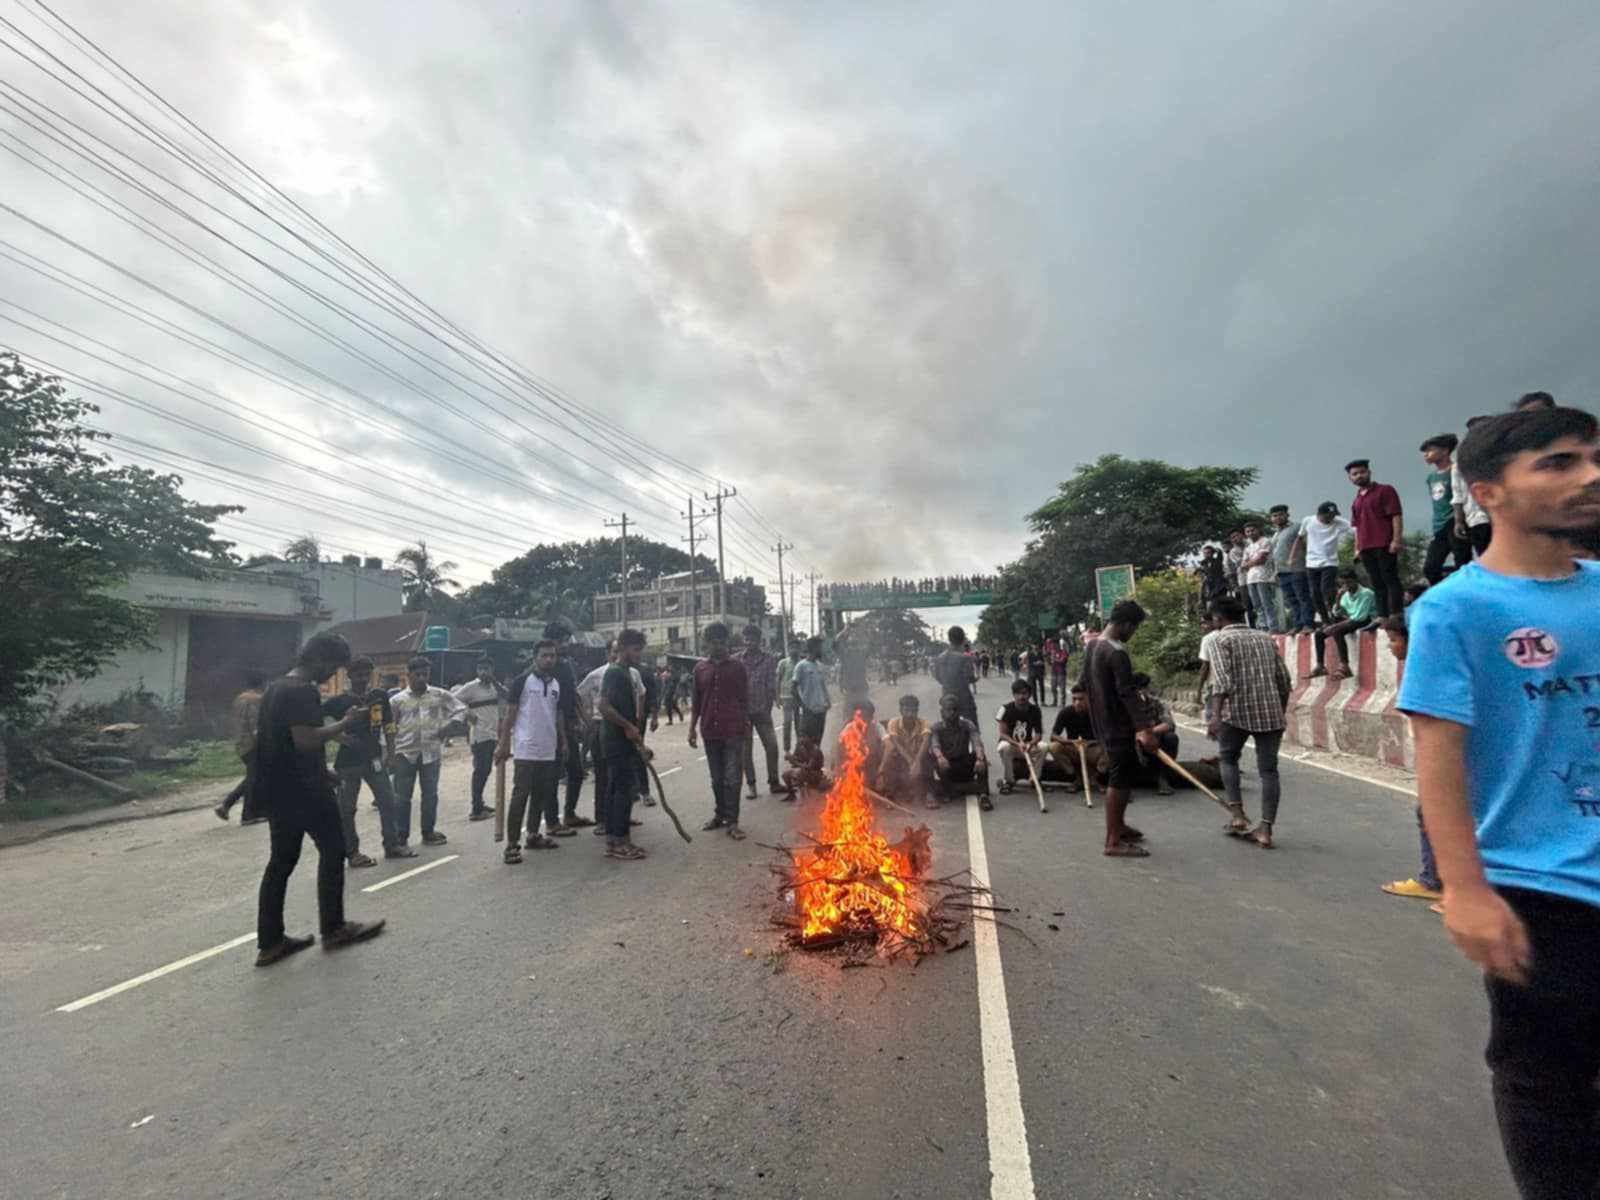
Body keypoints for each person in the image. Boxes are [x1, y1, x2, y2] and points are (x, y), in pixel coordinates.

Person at [1397, 405, 1600, 1199]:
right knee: (1548, 1088)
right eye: (1556, 463)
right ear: (1487, 493)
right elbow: (1438, 761)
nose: (1587, 476)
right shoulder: (1455, 610)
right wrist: (1467, 890)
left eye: (1591, 457)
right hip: (1542, 892)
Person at [253, 632, 385, 966]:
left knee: (281, 862)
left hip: (280, 789)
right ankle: (335, 928)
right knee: (334, 849)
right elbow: (305, 739)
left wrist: (323, 769)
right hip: (306, 791)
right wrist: (346, 722)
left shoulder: (275, 688)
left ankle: (270, 943)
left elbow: (281, 740)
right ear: (320, 659)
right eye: (334, 666)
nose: (332, 674)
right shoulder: (303, 691)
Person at [1204, 596, 1292, 848]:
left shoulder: (1220, 640)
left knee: (1228, 758)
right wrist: (1280, 711)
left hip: (1237, 711)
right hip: (1270, 712)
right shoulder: (1266, 638)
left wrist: (1215, 716)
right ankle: (1265, 829)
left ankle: (1238, 815)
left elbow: (1221, 682)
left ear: (1219, 619)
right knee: (1269, 771)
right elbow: (1283, 680)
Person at [1077, 599, 1157, 857]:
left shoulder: (1092, 646)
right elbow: (1127, 694)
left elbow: (1082, 684)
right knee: (1120, 780)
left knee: (1121, 776)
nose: (1133, 634)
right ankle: (1113, 840)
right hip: (1118, 725)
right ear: (1125, 624)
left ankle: (1119, 826)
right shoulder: (1116, 652)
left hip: (1102, 723)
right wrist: (1144, 729)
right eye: (1133, 628)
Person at [1376, 615, 1444, 910]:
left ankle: (1446, 884)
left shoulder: (1430, 666)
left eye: (1394, 640)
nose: (1391, 647)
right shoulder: (1427, 663)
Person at [321, 657, 406, 866]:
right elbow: (316, 719)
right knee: (347, 809)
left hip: (374, 758)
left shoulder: (378, 696)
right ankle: (352, 853)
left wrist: (392, 753)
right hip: (348, 763)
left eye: (366, 674)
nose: (363, 679)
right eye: (358, 675)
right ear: (350, 676)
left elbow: (389, 725)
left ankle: (392, 845)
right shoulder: (339, 701)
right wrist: (338, 736)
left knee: (388, 801)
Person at [496, 638, 567, 864]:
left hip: (548, 748)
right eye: (544, 655)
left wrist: (563, 741)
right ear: (535, 657)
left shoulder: (556, 684)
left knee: (541, 794)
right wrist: (504, 743)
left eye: (552, 655)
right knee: (521, 795)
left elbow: (557, 715)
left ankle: (534, 835)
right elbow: (510, 715)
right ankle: (512, 845)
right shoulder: (522, 682)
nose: (549, 659)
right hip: (526, 748)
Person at [388, 655, 467, 848]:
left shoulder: (439, 695)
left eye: (425, 674)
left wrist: (450, 726)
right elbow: (389, 726)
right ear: (408, 675)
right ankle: (401, 835)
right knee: (401, 798)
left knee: (430, 794)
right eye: (418, 674)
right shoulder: (397, 700)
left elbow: (461, 708)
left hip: (431, 753)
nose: (422, 678)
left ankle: (428, 831)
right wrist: (388, 754)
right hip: (404, 754)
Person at [688, 622, 750, 839]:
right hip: (709, 730)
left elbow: (744, 698)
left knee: (732, 778)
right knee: (716, 778)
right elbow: (696, 702)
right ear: (707, 643)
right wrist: (691, 729)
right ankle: (720, 814)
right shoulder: (700, 669)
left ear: (726, 642)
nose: (717, 646)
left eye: (721, 641)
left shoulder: (738, 667)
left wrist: (745, 725)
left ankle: (733, 822)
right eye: (713, 642)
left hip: (733, 730)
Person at [598, 629, 651, 860]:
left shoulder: (626, 672)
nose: (639, 654)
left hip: (621, 738)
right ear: (624, 648)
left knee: (615, 789)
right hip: (616, 739)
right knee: (623, 791)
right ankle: (621, 841)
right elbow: (604, 706)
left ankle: (613, 839)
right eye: (636, 650)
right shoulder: (615, 673)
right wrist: (628, 727)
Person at [543, 622, 593, 832]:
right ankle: (553, 822)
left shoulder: (565, 665)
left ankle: (569, 814)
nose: (566, 644)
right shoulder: (543, 667)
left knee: (576, 771)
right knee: (552, 775)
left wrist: (584, 720)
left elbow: (573, 696)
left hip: (569, 725)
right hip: (551, 728)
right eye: (562, 640)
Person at [1346, 458, 1404, 617]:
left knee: (1390, 579)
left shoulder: (1385, 490)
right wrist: (1357, 548)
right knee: (1376, 582)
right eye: (1355, 474)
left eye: (1362, 472)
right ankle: (1382, 616)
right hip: (1366, 547)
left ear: (1369, 472)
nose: (1359, 476)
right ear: (1350, 478)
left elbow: (1396, 515)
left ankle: (1396, 613)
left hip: (1384, 542)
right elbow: (1357, 526)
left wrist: (1396, 539)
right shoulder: (1356, 500)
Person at [450, 656, 505, 822]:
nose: (483, 672)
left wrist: (495, 682)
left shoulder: (495, 686)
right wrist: (467, 713)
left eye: (486, 669)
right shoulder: (471, 687)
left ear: (492, 670)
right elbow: (452, 700)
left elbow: (508, 696)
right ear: (476, 671)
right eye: (480, 669)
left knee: (486, 770)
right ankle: (476, 808)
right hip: (479, 736)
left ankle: (479, 803)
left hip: (493, 733)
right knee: (481, 771)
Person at [736, 624, 782, 800]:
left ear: (758, 640)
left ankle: (774, 782)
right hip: (743, 714)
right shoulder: (737, 660)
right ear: (743, 640)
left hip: (763, 711)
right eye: (746, 639)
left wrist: (768, 707)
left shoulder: (769, 660)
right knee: (746, 751)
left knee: (772, 746)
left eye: (753, 639)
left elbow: (771, 685)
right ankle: (752, 786)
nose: (749, 642)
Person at [215, 671, 266, 823]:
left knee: (254, 776)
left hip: (240, 742)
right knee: (254, 778)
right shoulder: (256, 700)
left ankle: (227, 806)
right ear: (262, 684)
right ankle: (248, 814)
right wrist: (262, 741)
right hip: (252, 743)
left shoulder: (239, 699)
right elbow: (255, 724)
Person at [1420, 435, 1471, 585]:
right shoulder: (1431, 477)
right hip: (1439, 526)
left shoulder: (1456, 470)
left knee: (1463, 563)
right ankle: (1449, 591)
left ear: (1444, 451)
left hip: (1456, 521)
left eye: (1430, 450)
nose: (1426, 455)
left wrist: (1459, 520)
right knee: (1430, 568)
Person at [1293, 501, 1355, 627]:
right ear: (1320, 514)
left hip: (1330, 562)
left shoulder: (1340, 522)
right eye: (1328, 516)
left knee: (1326, 589)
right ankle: (1325, 618)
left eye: (1333, 515)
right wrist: (1292, 556)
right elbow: (1299, 538)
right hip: (1311, 563)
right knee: (1314, 593)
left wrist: (1358, 550)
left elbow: (1357, 530)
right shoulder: (1308, 521)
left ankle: (1335, 612)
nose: (1331, 519)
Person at [1309, 571, 1376, 679]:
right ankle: (1320, 666)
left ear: (1355, 581)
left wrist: (1336, 626)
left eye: (1349, 583)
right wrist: (1338, 598)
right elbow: (1337, 613)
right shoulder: (1346, 595)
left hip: (1367, 620)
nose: (1346, 586)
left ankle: (1344, 666)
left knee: (1337, 631)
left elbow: (1360, 617)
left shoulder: (1366, 593)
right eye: (1343, 584)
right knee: (1319, 634)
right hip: (1352, 620)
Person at [929, 692, 990, 809]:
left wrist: (980, 758)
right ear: (942, 712)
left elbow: (977, 742)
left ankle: (983, 795)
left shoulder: (967, 724)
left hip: (964, 764)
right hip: (947, 767)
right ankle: (949, 790)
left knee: (982, 758)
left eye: (954, 709)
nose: (951, 713)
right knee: (934, 759)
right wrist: (940, 757)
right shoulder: (936, 727)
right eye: (948, 710)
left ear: (959, 711)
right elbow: (935, 745)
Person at [1452, 416, 1495, 557]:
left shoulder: (1504, 456)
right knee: (1487, 560)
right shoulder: (1460, 463)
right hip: (1477, 520)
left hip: (1505, 518)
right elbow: (1458, 494)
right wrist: (1458, 521)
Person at [1130, 672, 1180, 795]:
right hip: (1132, 744)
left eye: (1144, 688)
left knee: (1171, 737)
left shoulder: (1156, 703)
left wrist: (1148, 732)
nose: (1141, 692)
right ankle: (1124, 784)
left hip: (1153, 743)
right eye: (1137, 689)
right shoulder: (1124, 705)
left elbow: (1169, 723)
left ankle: (1162, 777)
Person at [1048, 684, 1104, 793]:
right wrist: (1070, 742)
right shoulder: (1066, 712)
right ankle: (1077, 778)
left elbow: (1108, 735)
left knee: (1112, 749)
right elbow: (1053, 736)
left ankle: (1095, 778)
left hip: (1093, 748)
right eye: (1074, 699)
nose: (1077, 702)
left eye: (1081, 699)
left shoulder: (1098, 713)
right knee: (1054, 747)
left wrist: (1090, 743)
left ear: (1089, 698)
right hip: (1074, 748)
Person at [880, 694, 933, 809]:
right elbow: (896, 744)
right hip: (902, 759)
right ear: (901, 710)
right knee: (890, 759)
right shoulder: (893, 723)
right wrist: (910, 762)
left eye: (913, 711)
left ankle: (929, 794)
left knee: (929, 757)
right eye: (906, 710)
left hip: (919, 758)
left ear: (917, 711)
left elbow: (926, 742)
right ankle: (890, 795)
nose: (910, 714)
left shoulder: (924, 723)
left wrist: (917, 762)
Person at [1268, 506, 1314, 635]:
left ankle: (1308, 624)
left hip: (1297, 569)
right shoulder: (1275, 534)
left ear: (1287, 515)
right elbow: (1275, 555)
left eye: (1280, 515)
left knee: (1303, 597)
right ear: (1271, 519)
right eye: (1274, 516)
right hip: (1282, 572)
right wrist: (1275, 572)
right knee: (1291, 600)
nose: (1278, 518)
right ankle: (1297, 625)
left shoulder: (1297, 528)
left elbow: (1306, 545)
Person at [995, 678, 1044, 797]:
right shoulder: (1005, 709)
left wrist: (1030, 744)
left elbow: (1038, 734)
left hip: (1027, 745)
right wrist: (1017, 744)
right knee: (1004, 747)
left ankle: (1034, 779)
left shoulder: (1035, 710)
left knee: (1044, 747)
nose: (1021, 696)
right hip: (1012, 746)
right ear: (1013, 694)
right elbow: (1002, 734)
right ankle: (1009, 781)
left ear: (1029, 694)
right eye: (1018, 693)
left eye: (1024, 693)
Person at [933, 625, 980, 726]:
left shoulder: (939, 658)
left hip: (946, 696)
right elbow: (970, 677)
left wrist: (947, 682)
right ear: (963, 639)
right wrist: (976, 678)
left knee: (948, 726)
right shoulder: (964, 658)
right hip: (963, 697)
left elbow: (937, 676)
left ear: (949, 639)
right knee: (972, 727)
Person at [1240, 520, 1281, 633]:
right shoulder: (1248, 547)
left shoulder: (1265, 541)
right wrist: (1251, 562)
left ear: (1258, 530)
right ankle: (1263, 627)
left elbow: (1261, 559)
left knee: (1267, 603)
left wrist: (1249, 563)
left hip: (1264, 577)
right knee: (1257, 605)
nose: (1250, 533)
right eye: (1247, 531)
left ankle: (1273, 627)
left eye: (1252, 530)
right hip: (1250, 579)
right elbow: (1243, 565)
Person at [791, 636, 832, 743]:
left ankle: (814, 759)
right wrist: (803, 706)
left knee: (817, 742)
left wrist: (827, 701)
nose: (821, 650)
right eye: (820, 647)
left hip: (821, 710)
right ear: (813, 648)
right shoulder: (801, 666)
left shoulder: (819, 666)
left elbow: (822, 686)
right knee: (806, 743)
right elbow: (793, 689)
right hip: (808, 712)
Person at [832, 698, 885, 781]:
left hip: (873, 766)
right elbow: (838, 753)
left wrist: (881, 770)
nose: (861, 721)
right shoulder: (848, 730)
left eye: (865, 717)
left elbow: (888, 742)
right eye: (859, 716)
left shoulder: (877, 727)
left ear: (871, 717)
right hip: (854, 768)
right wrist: (839, 773)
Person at [776, 644, 799, 752]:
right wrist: (777, 697)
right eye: (792, 648)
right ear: (788, 649)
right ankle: (787, 749)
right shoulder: (783, 663)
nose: (794, 650)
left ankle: (800, 748)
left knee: (800, 725)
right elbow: (778, 680)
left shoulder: (802, 663)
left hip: (799, 699)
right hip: (786, 698)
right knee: (787, 723)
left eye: (796, 647)